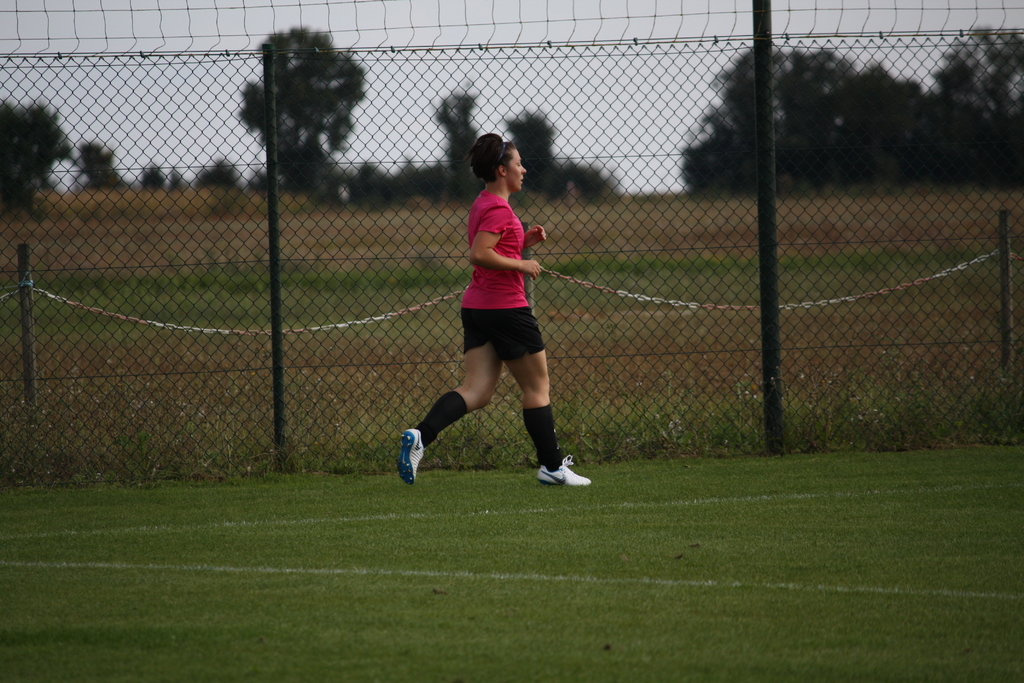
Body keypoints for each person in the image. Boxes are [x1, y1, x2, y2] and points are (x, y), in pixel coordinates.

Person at [397, 133, 590, 487]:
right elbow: (480, 254)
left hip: (478, 307)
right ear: (502, 170)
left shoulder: (483, 203)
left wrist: (522, 242)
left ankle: (421, 435)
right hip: (506, 309)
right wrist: (522, 264)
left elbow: (492, 247)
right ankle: (552, 467)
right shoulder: (500, 209)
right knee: (537, 388)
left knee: (477, 391)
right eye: (518, 164)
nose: (524, 170)